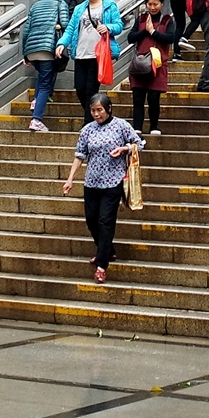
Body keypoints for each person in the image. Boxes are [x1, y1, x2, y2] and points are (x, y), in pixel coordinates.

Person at [59, 92, 142, 282]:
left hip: (113, 181)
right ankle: (107, 250)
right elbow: (79, 155)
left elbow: (139, 143)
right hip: (92, 182)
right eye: (93, 110)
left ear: (108, 108)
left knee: (106, 221)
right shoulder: (88, 129)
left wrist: (124, 149)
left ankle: (102, 265)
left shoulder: (121, 126)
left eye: (100, 110)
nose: (96, 114)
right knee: (91, 220)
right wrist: (70, 179)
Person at [57, 0, 122, 114]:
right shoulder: (79, 8)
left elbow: (119, 25)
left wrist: (108, 27)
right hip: (81, 53)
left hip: (98, 54)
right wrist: (62, 43)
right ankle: (93, 117)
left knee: (90, 90)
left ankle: (88, 123)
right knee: (80, 88)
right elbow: (70, 28)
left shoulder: (110, 6)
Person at [126, 0, 178, 136]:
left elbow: (170, 38)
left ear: (161, 4)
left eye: (156, 4)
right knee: (138, 98)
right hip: (140, 63)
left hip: (157, 63)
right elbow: (131, 37)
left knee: (154, 98)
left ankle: (154, 126)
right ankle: (137, 127)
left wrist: (154, 32)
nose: (153, 7)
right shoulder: (141, 19)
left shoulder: (167, 20)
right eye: (150, 4)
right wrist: (146, 31)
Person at [20, 0, 68, 132]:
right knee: (46, 84)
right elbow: (66, 25)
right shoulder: (60, 3)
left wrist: (25, 54)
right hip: (48, 48)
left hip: (32, 50)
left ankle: (35, 100)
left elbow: (26, 30)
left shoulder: (35, 6)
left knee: (43, 75)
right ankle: (36, 120)